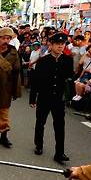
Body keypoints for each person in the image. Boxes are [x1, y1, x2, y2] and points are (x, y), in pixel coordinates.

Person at [30, 33, 74, 163]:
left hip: (59, 98)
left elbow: (69, 80)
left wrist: (69, 96)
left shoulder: (67, 60)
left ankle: (59, 152)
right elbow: (36, 81)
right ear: (51, 45)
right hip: (44, 97)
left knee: (60, 125)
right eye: (58, 44)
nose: (61, 46)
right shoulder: (43, 61)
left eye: (63, 44)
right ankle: (39, 145)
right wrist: (33, 98)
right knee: (40, 122)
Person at [0, 27, 21, 148]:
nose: (6, 40)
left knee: (3, 113)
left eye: (8, 38)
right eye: (3, 38)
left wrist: (15, 91)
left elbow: (17, 72)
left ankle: (4, 136)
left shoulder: (14, 53)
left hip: (6, 87)